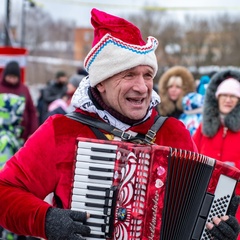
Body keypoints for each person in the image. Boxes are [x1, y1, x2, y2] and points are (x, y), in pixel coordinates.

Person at [0, 8, 238, 240]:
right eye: (129, 74)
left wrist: (216, 230)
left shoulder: (173, 132)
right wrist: (47, 221)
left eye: (147, 75)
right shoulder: (62, 131)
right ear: (101, 82)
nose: (142, 87)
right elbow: (4, 192)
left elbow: (195, 217)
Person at [193, 69, 240, 225]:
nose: (228, 100)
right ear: (217, 98)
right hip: (204, 203)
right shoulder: (203, 129)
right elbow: (192, 157)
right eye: (224, 95)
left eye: (233, 96)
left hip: (236, 207)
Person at [0, 61, 39, 167]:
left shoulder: (24, 89)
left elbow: (31, 111)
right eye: (10, 77)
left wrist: (33, 131)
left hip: (20, 136)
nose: (12, 80)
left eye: (14, 77)